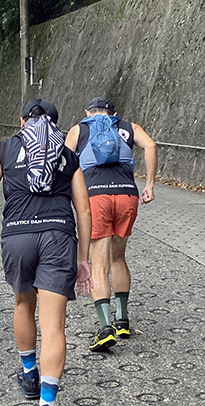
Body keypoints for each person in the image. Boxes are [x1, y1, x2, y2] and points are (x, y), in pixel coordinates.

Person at [0, 99, 92, 406]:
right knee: (54, 325)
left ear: (21, 121)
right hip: (58, 235)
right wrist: (84, 258)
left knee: (22, 303)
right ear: (57, 124)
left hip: (16, 235)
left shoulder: (3, 150)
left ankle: (29, 373)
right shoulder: (68, 154)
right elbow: (84, 210)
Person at [64, 96, 157, 351]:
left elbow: (65, 161)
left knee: (98, 261)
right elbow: (150, 146)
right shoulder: (128, 127)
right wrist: (149, 185)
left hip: (96, 196)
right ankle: (122, 320)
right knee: (118, 258)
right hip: (127, 195)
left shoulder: (79, 129)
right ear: (113, 113)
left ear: (88, 112)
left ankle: (105, 328)